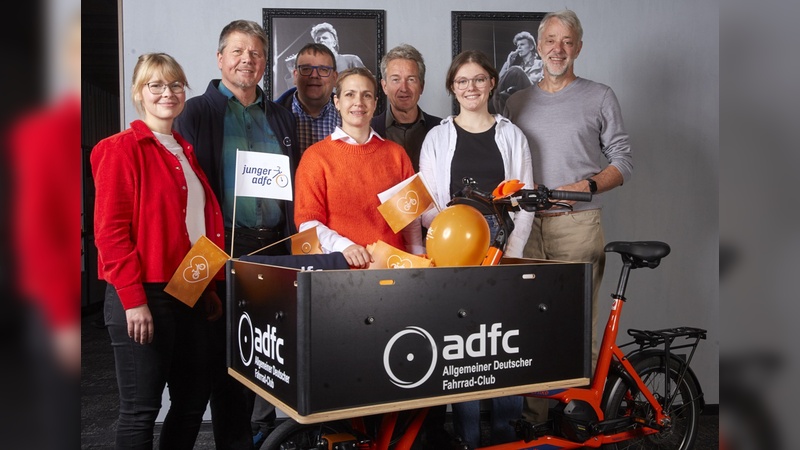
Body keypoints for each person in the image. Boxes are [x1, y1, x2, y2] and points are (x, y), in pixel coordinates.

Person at [173, 19, 300, 450]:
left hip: (273, 248)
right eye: (238, 52)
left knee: (257, 355)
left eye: (256, 53)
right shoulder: (195, 111)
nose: (248, 60)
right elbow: (185, 189)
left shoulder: (282, 115)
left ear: (266, 62)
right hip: (217, 248)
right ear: (220, 58)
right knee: (212, 357)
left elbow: (293, 186)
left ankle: (243, 440)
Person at [503, 9, 633, 423]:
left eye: (567, 41)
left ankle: (578, 417)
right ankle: (535, 419)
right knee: (528, 324)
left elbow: (623, 161)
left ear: (578, 47)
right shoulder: (515, 101)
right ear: (539, 47)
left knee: (578, 325)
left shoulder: (600, 95)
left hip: (576, 224)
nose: (558, 49)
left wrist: (588, 186)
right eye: (551, 41)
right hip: (525, 227)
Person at [91, 52, 225, 449]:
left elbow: (193, 228)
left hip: (191, 291)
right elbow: (111, 233)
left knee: (190, 404)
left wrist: (211, 287)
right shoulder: (120, 148)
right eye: (157, 85)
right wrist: (133, 301)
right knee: (141, 411)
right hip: (144, 294)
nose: (168, 93)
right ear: (139, 93)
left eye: (175, 84)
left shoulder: (184, 151)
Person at [419, 50, 534, 449]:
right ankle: (468, 438)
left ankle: (507, 438)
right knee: (463, 351)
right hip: (454, 253)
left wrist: (510, 254)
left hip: (502, 249)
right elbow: (430, 205)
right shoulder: (437, 137)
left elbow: (523, 200)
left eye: (479, 79)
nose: (471, 87)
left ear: (491, 84)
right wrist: (446, 253)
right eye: (462, 81)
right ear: (452, 88)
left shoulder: (511, 134)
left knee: (506, 345)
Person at [294, 67, 424, 268]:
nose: (359, 102)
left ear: (374, 104)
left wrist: (419, 260)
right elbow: (307, 223)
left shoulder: (396, 155)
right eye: (349, 94)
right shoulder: (315, 157)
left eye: (366, 95)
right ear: (337, 103)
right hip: (339, 272)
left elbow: (411, 222)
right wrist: (345, 246)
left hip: (394, 270)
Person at [371, 43, 443, 171]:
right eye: (395, 80)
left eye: (411, 79)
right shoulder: (369, 130)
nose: (404, 88)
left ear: (421, 86)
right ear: (384, 86)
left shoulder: (441, 130)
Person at [275, 43, 341, 153]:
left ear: (335, 78)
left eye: (323, 69)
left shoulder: (351, 118)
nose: (314, 75)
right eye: (306, 69)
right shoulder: (271, 118)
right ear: (295, 76)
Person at [492, 31, 543, 115]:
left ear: (531, 47)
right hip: (521, 101)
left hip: (535, 98)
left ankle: (489, 93)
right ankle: (504, 122)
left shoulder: (541, 64)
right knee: (499, 96)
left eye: (522, 45)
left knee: (515, 70)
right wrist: (508, 62)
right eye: (517, 46)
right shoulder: (518, 68)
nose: (518, 48)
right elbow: (499, 80)